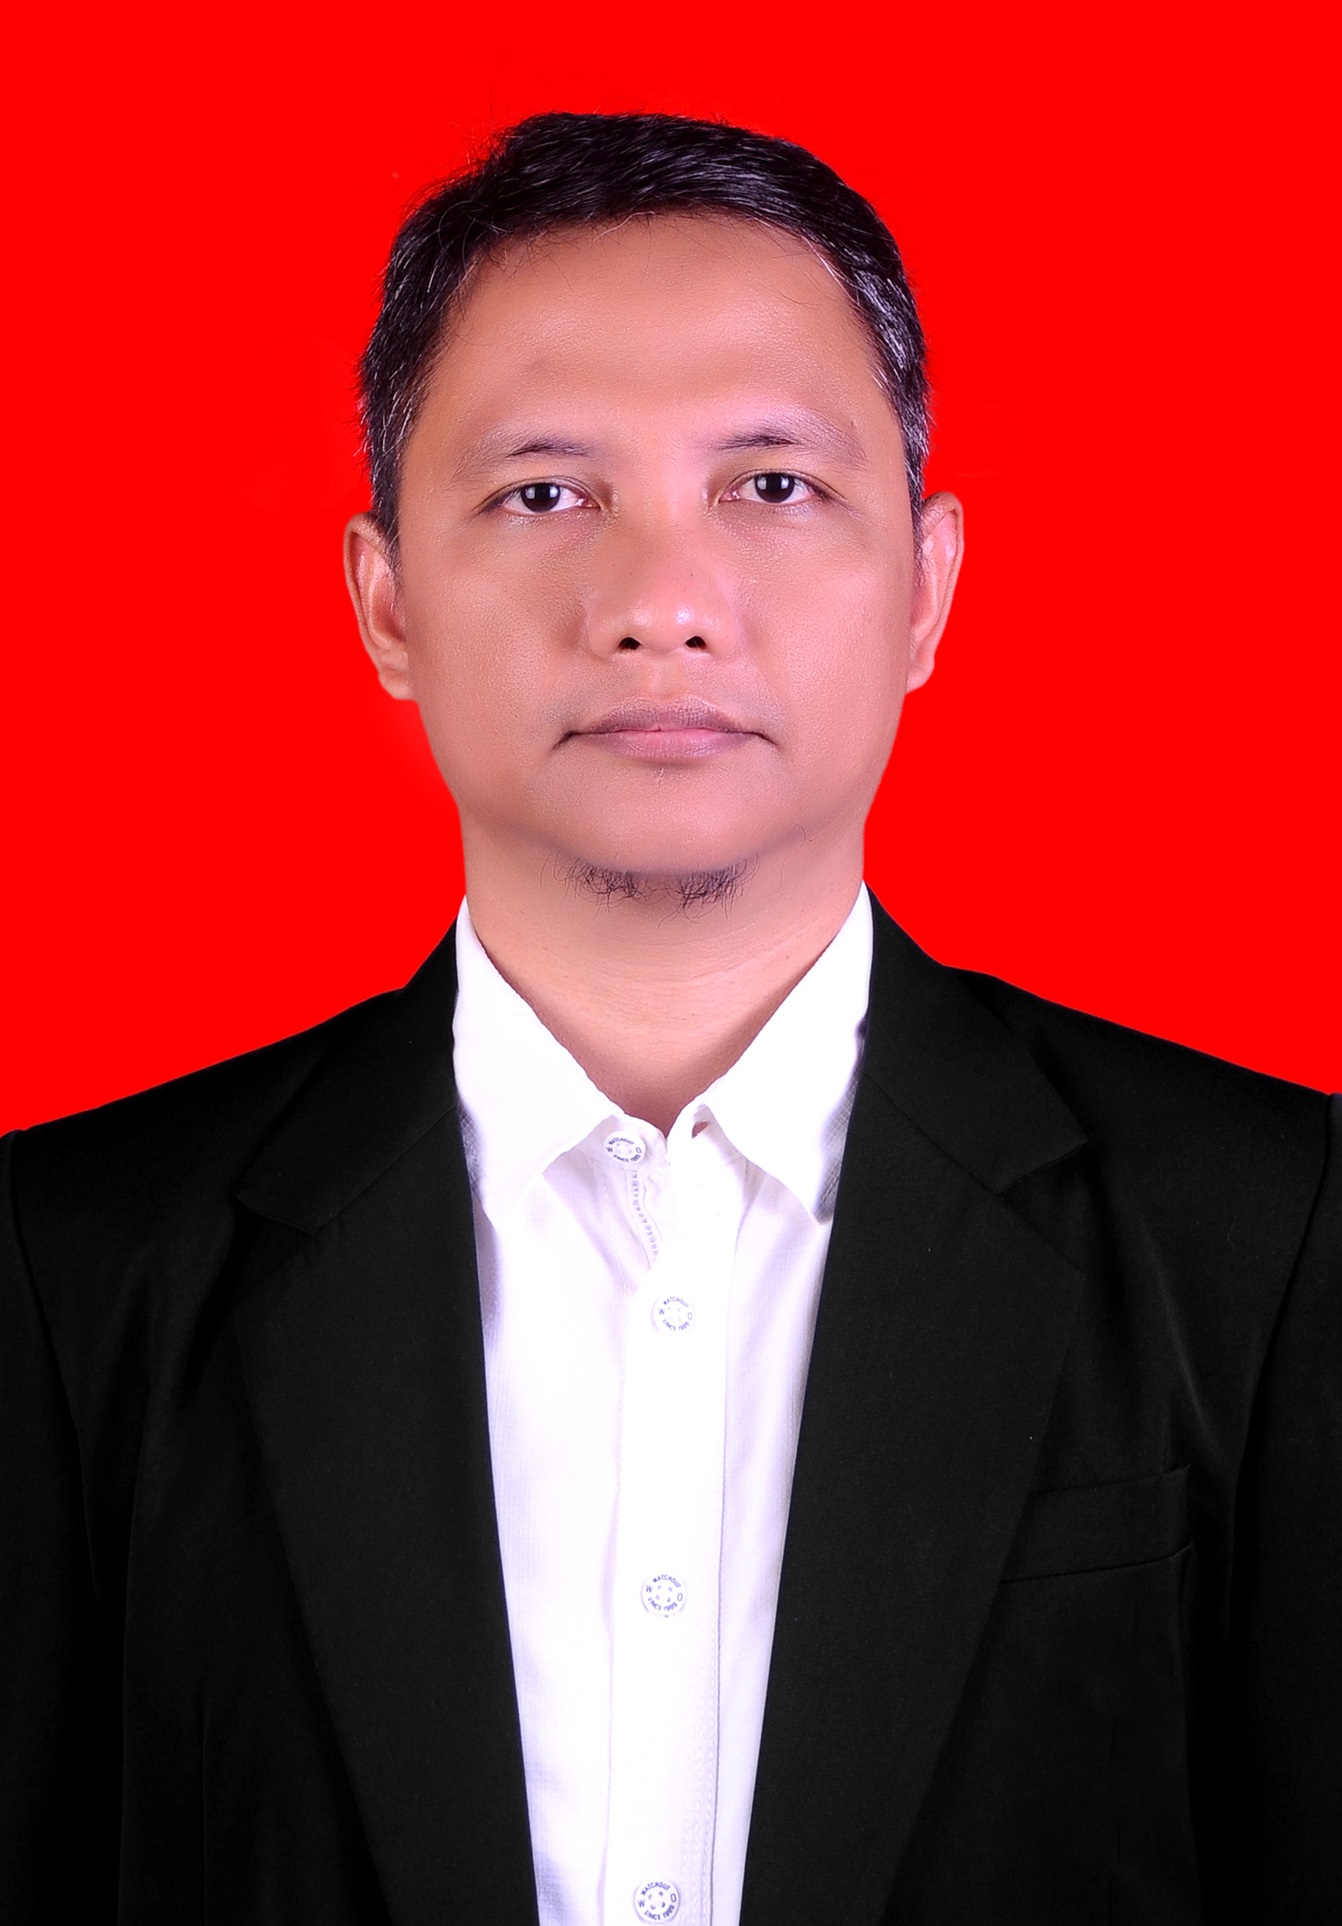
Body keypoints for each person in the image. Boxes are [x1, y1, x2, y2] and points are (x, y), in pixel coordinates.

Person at [1, 110, 1338, 1926]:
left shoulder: (1267, 1238)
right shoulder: (74, 1269)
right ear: (385, 601)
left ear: (928, 585)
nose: (660, 606)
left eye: (770, 485)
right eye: (545, 494)